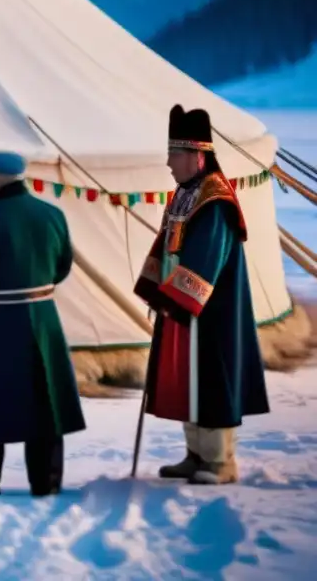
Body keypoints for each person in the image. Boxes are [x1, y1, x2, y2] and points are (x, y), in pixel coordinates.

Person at [133, 105, 269, 485]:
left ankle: (220, 462)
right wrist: (155, 286)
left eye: (174, 154)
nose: (168, 163)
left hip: (212, 310)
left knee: (212, 377)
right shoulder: (185, 193)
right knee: (188, 379)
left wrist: (176, 297)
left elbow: (206, 254)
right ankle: (196, 454)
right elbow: (167, 244)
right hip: (185, 306)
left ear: (196, 155)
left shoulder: (215, 200)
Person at [0, 151, 86, 497]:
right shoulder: (52, 215)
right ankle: (46, 480)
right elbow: (62, 266)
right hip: (43, 318)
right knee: (44, 398)